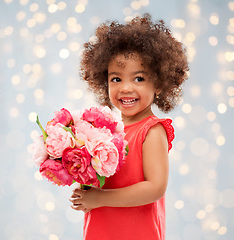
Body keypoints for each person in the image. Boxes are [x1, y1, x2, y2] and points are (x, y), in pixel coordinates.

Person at [69, 13, 189, 240]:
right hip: (101, 230)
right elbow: (105, 179)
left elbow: (155, 188)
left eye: (139, 79)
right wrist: (83, 185)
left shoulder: (152, 130)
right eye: (116, 79)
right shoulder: (106, 132)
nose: (125, 88)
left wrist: (99, 198)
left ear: (159, 84)